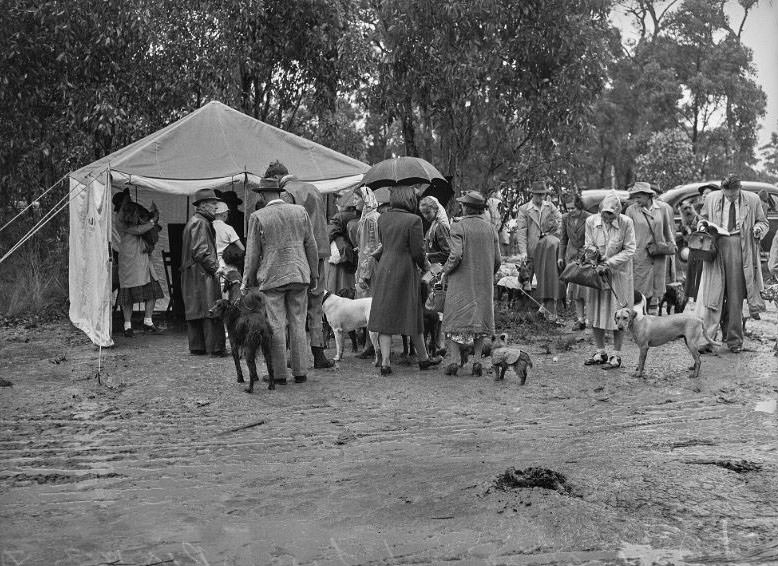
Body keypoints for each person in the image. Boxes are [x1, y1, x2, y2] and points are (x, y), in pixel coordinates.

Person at [242, 177, 319, 384]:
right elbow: (311, 245)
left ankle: (279, 374)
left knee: (276, 325)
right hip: (299, 273)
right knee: (298, 323)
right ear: (279, 192)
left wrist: (246, 281)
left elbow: (252, 253)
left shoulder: (258, 217)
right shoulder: (299, 211)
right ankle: (301, 372)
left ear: (262, 194)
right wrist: (315, 274)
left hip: (272, 276)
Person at [265, 160, 335, 369]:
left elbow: (284, 224)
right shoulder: (313, 188)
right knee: (316, 305)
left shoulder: (285, 194)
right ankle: (319, 354)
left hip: (297, 255)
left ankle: (292, 357)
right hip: (320, 252)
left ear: (276, 178)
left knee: (291, 307)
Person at [367, 185, 443, 375]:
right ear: (409, 199)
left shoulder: (382, 217)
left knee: (385, 314)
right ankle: (424, 359)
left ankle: (385, 363)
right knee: (413, 313)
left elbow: (383, 244)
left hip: (385, 267)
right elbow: (418, 252)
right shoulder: (414, 220)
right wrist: (428, 269)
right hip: (405, 270)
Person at [695, 175, 768, 353]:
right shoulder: (712, 198)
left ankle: (734, 341)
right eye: (727, 195)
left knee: (735, 297)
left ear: (739, 189)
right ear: (722, 190)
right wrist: (702, 227)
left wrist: (758, 229)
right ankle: (708, 341)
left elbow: (763, 222)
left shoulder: (753, 199)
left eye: (733, 196)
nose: (730, 198)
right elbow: (702, 219)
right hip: (715, 245)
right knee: (712, 295)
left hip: (739, 246)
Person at [441, 191, 501, 376]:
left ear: (466, 207)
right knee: (480, 320)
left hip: (461, 280)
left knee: (453, 319)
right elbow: (498, 259)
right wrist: (487, 273)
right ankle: (477, 361)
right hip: (483, 281)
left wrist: (445, 270)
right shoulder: (491, 228)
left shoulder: (458, 226)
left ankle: (454, 360)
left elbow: (457, 254)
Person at [583, 192, 636, 369]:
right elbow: (588, 244)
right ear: (600, 210)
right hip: (597, 273)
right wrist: (594, 259)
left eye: (611, 213)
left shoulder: (626, 223)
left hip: (619, 275)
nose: (607, 216)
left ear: (618, 212)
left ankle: (617, 354)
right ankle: (600, 351)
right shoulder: (591, 222)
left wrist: (609, 262)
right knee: (596, 312)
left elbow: (630, 249)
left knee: (618, 312)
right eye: (604, 212)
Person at [180, 189, 226, 356]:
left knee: (196, 310)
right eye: (214, 204)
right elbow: (202, 251)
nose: (216, 208)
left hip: (192, 273)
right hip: (201, 273)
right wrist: (216, 268)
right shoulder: (201, 223)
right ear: (203, 205)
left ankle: (198, 346)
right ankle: (215, 348)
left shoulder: (195, 221)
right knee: (210, 309)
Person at [113, 191, 164, 337]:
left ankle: (148, 321)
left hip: (142, 255)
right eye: (126, 198)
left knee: (153, 288)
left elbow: (141, 226)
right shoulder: (120, 218)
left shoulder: (130, 212)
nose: (129, 199)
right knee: (127, 291)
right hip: (129, 257)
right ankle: (127, 326)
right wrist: (153, 220)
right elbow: (138, 230)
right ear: (121, 202)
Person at [624, 182, 676, 315]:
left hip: (658, 253)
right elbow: (626, 233)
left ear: (648, 196)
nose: (636, 200)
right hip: (640, 255)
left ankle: (650, 322)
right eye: (634, 197)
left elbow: (667, 228)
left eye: (639, 197)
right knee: (640, 291)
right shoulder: (631, 210)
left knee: (656, 289)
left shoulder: (662, 208)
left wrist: (671, 243)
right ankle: (639, 319)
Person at [516, 180, 563, 320]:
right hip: (531, 250)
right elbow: (521, 231)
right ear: (533, 194)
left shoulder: (550, 206)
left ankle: (546, 311)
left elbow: (560, 222)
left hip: (547, 250)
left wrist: (552, 234)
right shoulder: (524, 209)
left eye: (543, 194)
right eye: (538, 194)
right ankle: (521, 315)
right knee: (526, 282)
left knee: (547, 279)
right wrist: (523, 252)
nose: (541, 197)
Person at [558, 193, 591, 330]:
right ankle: (580, 319)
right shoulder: (565, 218)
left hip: (587, 257)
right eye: (568, 209)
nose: (570, 211)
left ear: (579, 206)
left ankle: (590, 319)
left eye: (573, 208)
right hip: (571, 258)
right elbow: (563, 239)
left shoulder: (589, 217)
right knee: (575, 290)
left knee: (587, 290)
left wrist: (588, 252)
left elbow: (592, 238)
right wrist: (560, 256)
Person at [326, 193, 359, 293]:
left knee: (335, 284)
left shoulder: (339, 216)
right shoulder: (360, 215)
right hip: (352, 256)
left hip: (340, 255)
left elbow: (329, 234)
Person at [213, 201, 244, 270]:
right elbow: (241, 248)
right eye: (227, 213)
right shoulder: (228, 228)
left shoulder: (208, 226)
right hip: (227, 265)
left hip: (211, 264)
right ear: (224, 214)